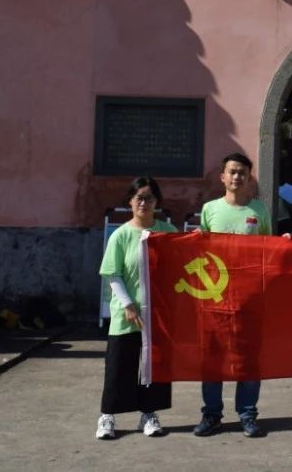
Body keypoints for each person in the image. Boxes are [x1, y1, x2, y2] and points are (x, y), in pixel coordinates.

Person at [193, 153, 274, 438]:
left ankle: (248, 414)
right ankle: (212, 414)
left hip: (250, 297)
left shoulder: (260, 211)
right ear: (223, 177)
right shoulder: (209, 209)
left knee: (248, 359)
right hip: (214, 297)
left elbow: (269, 251)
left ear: (249, 177)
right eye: (232, 172)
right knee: (212, 358)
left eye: (243, 172)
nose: (237, 177)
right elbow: (198, 253)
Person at [96, 177, 176, 440]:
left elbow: (187, 258)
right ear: (130, 201)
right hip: (127, 314)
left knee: (154, 368)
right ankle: (107, 416)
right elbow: (112, 274)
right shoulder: (120, 235)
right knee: (119, 365)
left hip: (159, 314)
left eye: (149, 198)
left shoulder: (167, 231)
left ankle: (149, 414)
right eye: (139, 198)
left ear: (157, 202)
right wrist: (128, 305)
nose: (144, 203)